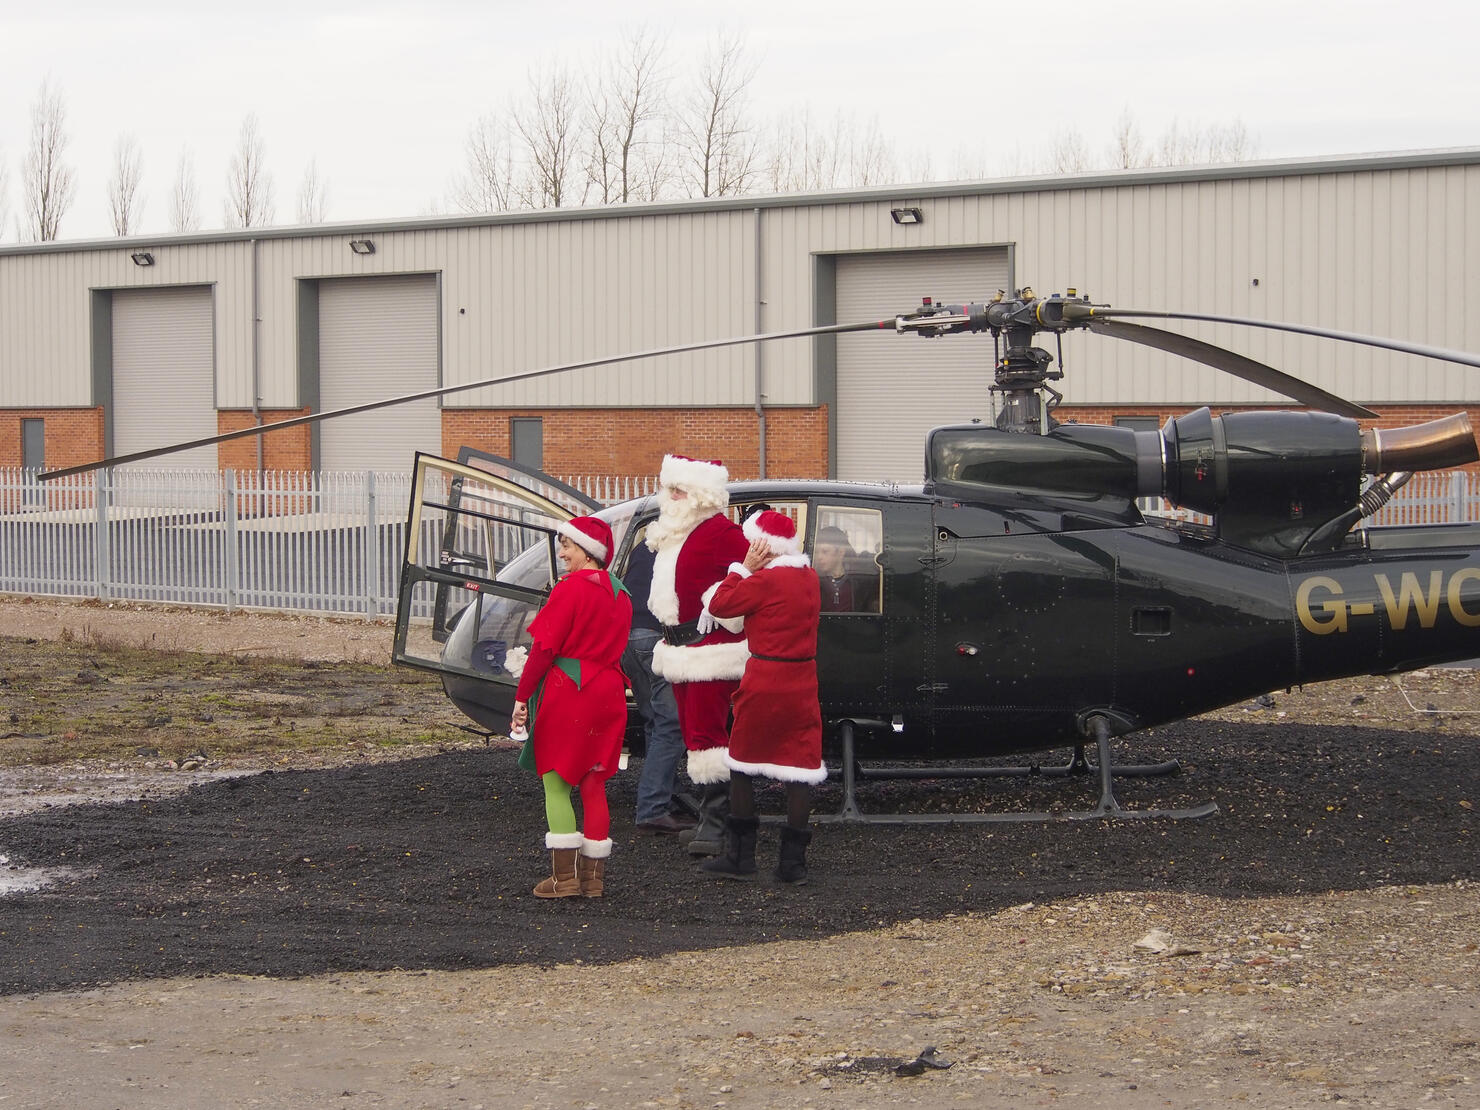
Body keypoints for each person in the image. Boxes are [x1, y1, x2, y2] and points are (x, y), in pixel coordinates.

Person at [509, 515, 633, 899]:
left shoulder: (568, 590)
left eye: (567, 546)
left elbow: (544, 651)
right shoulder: (622, 593)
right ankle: (593, 880)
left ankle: (564, 880)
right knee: (594, 783)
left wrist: (520, 698)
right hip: (610, 691)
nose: (561, 553)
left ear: (588, 551)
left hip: (570, 691)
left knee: (556, 781)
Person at [701, 510, 826, 884]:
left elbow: (719, 605)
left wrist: (741, 567)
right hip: (803, 679)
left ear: (761, 546)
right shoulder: (810, 577)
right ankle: (792, 865)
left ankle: (741, 858)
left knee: (741, 764)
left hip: (765, 678)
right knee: (798, 769)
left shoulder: (765, 581)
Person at [646, 454, 750, 857]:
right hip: (678, 649)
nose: (671, 497)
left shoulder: (721, 531)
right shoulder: (676, 533)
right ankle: (713, 821)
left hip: (711, 651)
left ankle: (719, 826)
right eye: (669, 488)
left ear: (702, 496)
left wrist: (718, 600)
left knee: (708, 737)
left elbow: (758, 574)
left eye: (680, 490)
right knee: (695, 736)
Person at [622, 536, 695, 835]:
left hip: (628, 639)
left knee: (654, 719)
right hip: (655, 636)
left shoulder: (646, 543)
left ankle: (666, 792)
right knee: (672, 724)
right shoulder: (683, 545)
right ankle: (652, 808)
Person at [814, 525, 878, 613]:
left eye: (825, 552)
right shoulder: (814, 581)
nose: (819, 557)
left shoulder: (859, 580)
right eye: (816, 552)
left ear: (841, 552)